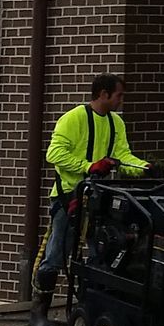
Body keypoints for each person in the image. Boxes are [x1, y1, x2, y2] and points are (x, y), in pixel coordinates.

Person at [31, 71, 147, 313]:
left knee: (100, 253)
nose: (120, 101)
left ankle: (89, 308)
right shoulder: (73, 119)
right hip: (69, 199)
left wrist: (144, 168)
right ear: (103, 94)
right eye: (118, 95)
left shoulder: (116, 123)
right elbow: (54, 154)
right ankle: (39, 312)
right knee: (57, 253)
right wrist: (89, 166)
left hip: (97, 200)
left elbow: (122, 156)